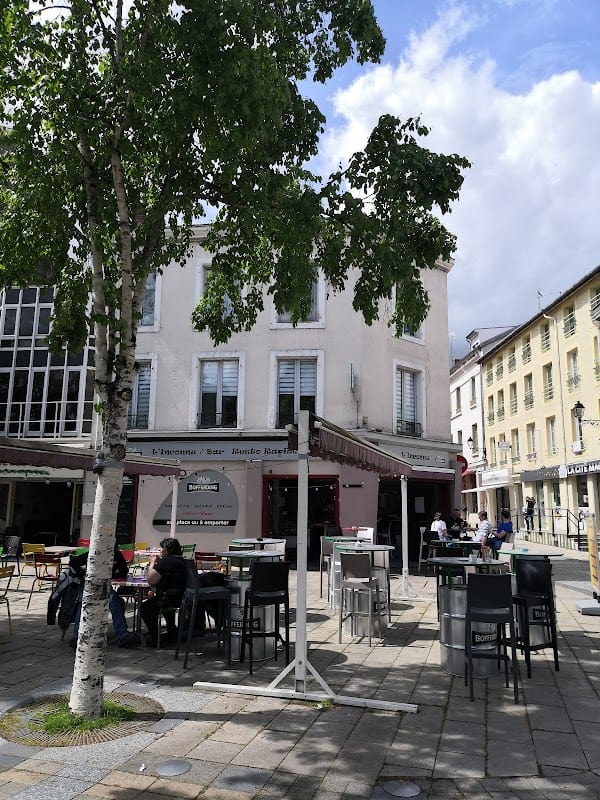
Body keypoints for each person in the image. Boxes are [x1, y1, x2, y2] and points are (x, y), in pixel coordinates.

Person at [70, 545, 138, 648]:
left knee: (115, 602)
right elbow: (73, 563)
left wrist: (110, 575)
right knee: (83, 602)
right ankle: (77, 636)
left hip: (106, 588)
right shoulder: (93, 553)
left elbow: (124, 571)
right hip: (89, 587)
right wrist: (85, 575)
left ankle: (122, 635)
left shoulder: (116, 554)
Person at [141, 537, 187, 647]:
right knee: (166, 608)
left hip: (168, 598)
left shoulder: (166, 561)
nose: (160, 550)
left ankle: (156, 638)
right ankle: (172, 634)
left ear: (167, 549)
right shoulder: (183, 561)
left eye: (162, 548)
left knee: (145, 608)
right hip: (182, 598)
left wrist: (152, 563)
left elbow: (151, 579)